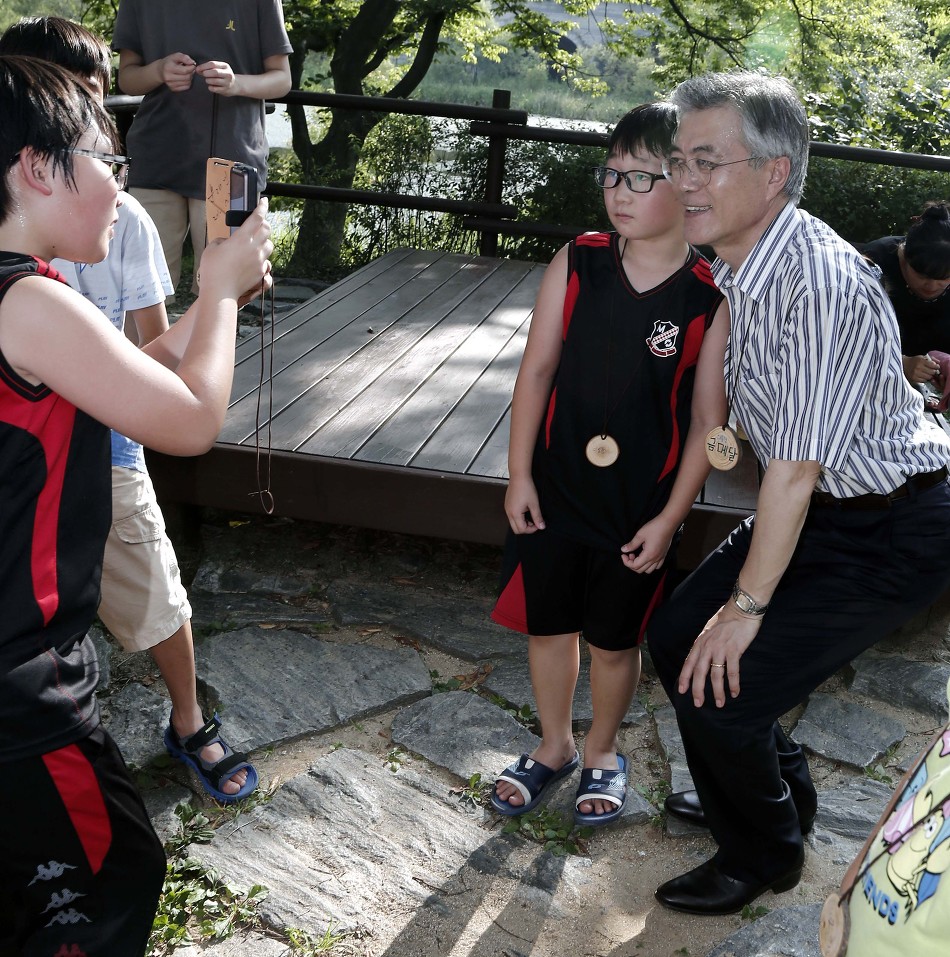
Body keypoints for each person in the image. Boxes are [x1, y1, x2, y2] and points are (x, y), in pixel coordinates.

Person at [646, 69, 950, 916]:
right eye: (680, 160)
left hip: (893, 529)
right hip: (828, 510)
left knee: (727, 679)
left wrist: (744, 606)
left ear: (774, 173)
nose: (685, 180)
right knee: (677, 636)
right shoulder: (749, 262)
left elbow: (794, 469)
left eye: (708, 161)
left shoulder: (816, 278)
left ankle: (764, 853)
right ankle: (776, 794)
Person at [0, 54, 271, 952]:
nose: (119, 188)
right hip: (20, 682)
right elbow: (191, 420)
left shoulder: (20, 300)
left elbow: (135, 380)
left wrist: (208, 302)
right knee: (112, 877)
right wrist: (225, 294)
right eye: (103, 160)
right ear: (39, 168)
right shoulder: (30, 299)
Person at [489, 103, 729, 827]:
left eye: (641, 177)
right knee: (548, 627)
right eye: (612, 174)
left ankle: (601, 749)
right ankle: (555, 742)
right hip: (556, 489)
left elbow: (707, 424)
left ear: (686, 185)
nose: (619, 192)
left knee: (615, 643)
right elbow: (536, 372)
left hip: (637, 508)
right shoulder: (580, 260)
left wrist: (670, 518)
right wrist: (519, 474)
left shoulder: (708, 296)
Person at [113, 0, 292, 296]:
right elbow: (128, 78)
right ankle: (141, 345)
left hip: (231, 162)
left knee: (223, 290)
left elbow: (282, 78)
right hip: (156, 156)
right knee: (142, 289)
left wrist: (236, 83)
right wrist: (158, 70)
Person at [856, 202, 950, 387]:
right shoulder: (874, 264)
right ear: (904, 256)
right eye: (921, 275)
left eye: (944, 279)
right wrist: (900, 363)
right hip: (867, 380)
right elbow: (845, 338)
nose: (931, 286)